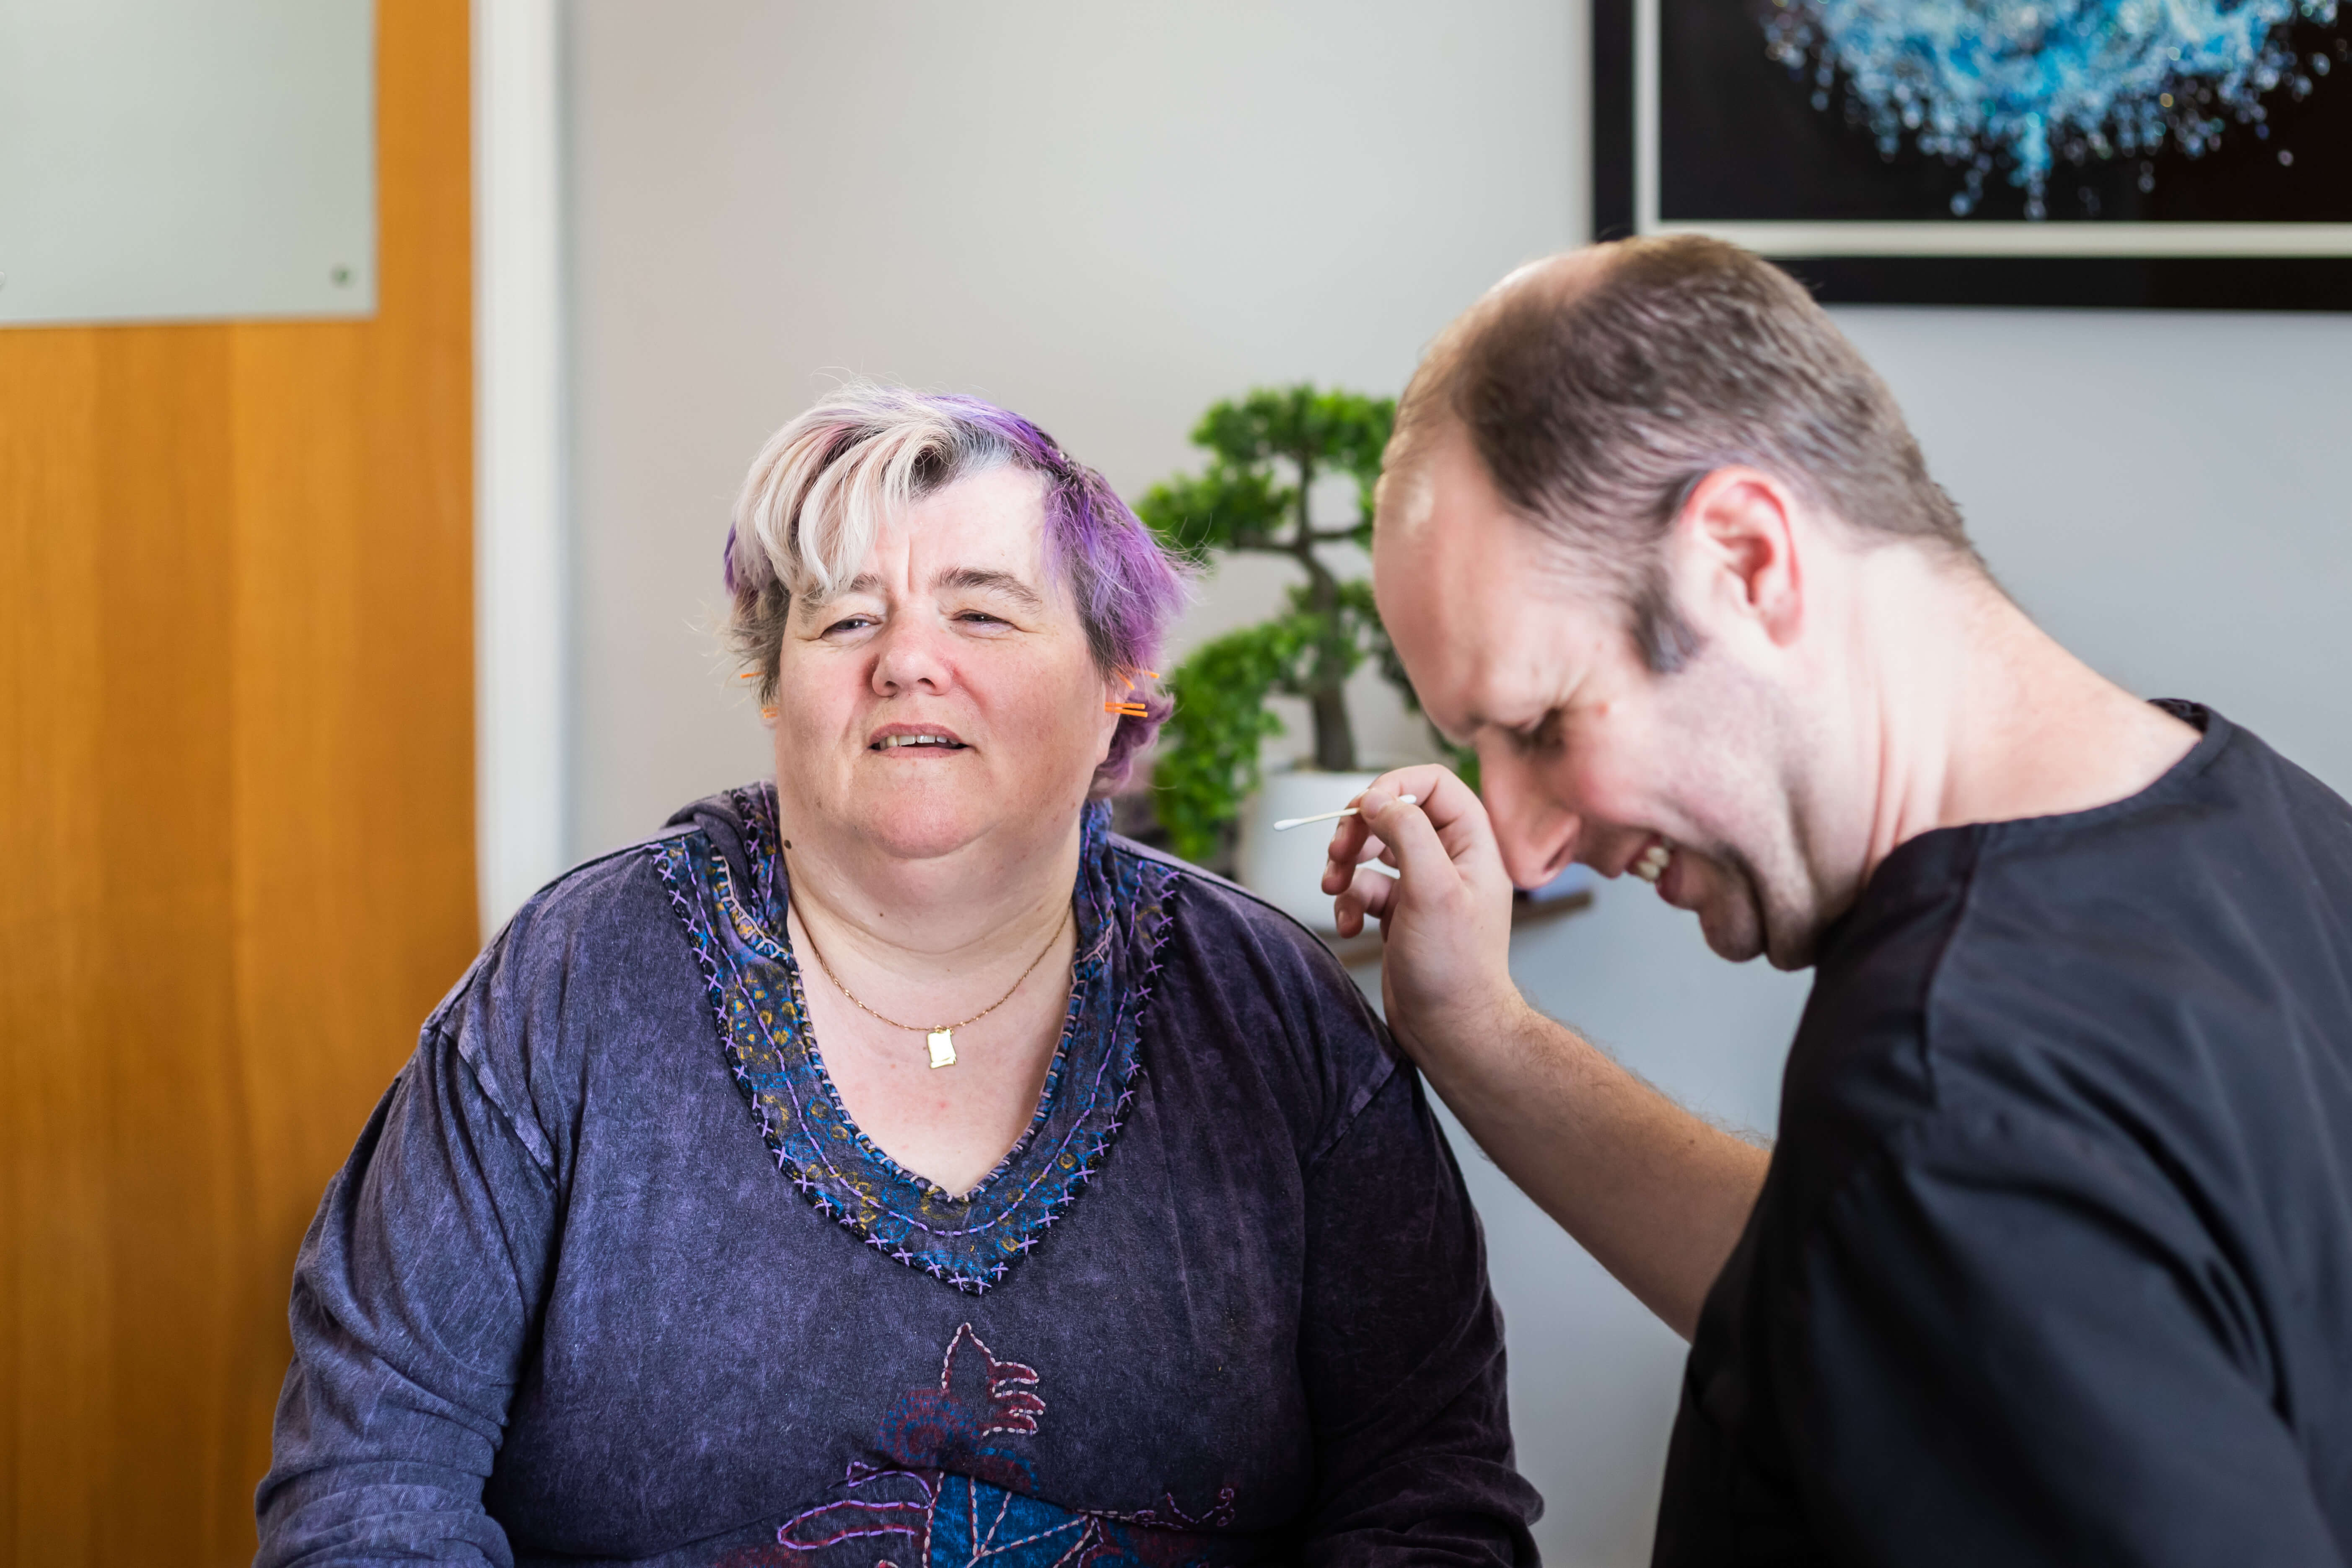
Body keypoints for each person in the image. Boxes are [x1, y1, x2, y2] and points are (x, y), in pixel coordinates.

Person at [256, 386, 1540, 1566]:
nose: (906, 660)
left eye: (980, 611)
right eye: (847, 617)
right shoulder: (573, 983)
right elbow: (372, 1479)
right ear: (776, 684)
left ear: (1119, 689)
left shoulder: (1269, 1013)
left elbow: (1428, 1495)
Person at [1324, 236, 2352, 1565]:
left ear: (1746, 561)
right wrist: (1480, 1030)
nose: (1524, 848)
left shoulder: (1946, 1104)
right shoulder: (2270, 833)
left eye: (1541, 722)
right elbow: (1884, 1295)